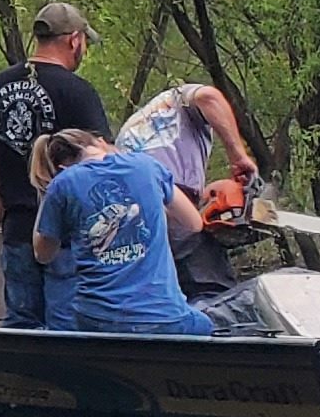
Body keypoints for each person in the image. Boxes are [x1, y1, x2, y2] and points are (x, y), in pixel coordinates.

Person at [0, 2, 111, 328]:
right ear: (74, 40)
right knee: (65, 327)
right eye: (84, 42)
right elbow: (103, 156)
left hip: (17, 227)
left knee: (21, 324)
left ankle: (19, 380)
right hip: (66, 233)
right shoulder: (77, 91)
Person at [27, 128, 213, 336]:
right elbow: (194, 223)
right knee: (205, 324)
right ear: (99, 142)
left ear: (61, 167)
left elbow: (42, 254)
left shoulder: (63, 185)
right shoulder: (147, 166)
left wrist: (48, 194)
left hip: (97, 320)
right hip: (165, 317)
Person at [116, 82, 261, 297]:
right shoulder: (178, 100)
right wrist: (238, 156)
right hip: (169, 203)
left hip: (131, 222)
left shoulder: (136, 129)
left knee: (166, 294)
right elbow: (210, 97)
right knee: (213, 291)